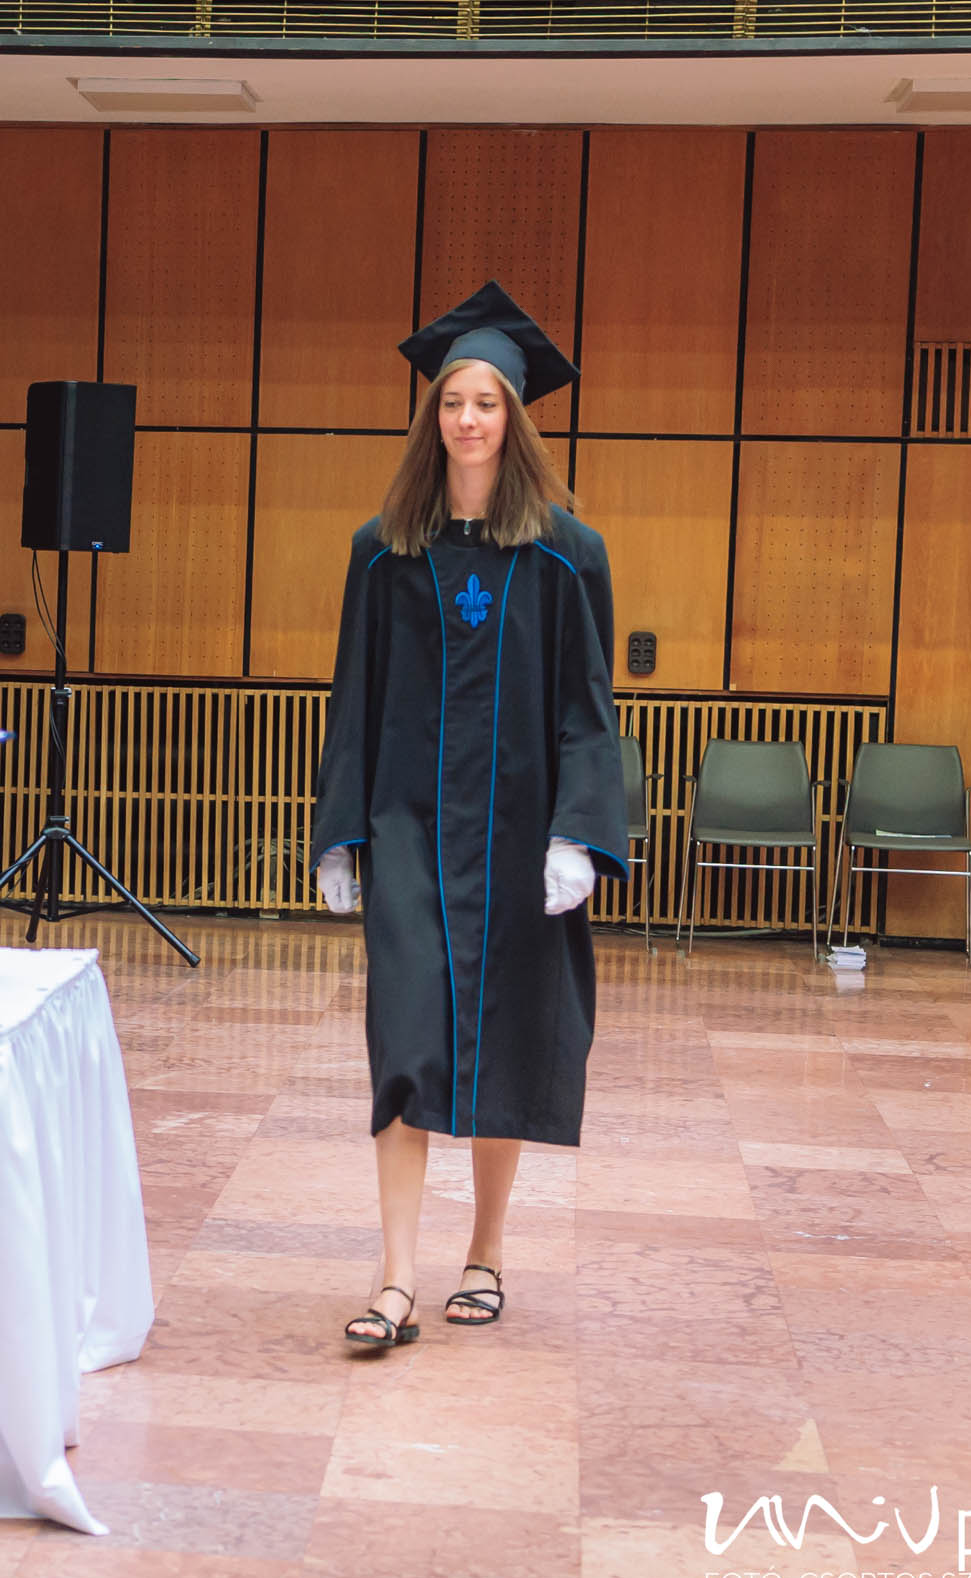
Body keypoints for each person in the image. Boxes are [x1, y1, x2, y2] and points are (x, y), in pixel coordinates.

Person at [313, 280, 629, 1349]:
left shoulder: (568, 556)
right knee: (403, 1042)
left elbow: (589, 709)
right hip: (408, 833)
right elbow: (354, 699)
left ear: (514, 416)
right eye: (453, 401)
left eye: (486, 402)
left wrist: (579, 834)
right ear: (433, 416)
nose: (467, 419)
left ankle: (485, 1252)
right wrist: (339, 833)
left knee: (504, 1039)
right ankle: (396, 1279)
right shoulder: (383, 551)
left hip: (520, 840)